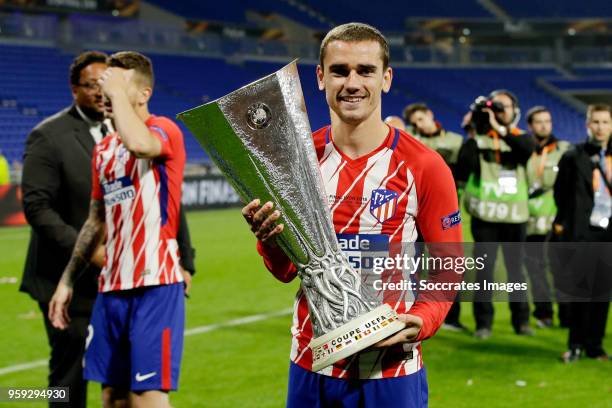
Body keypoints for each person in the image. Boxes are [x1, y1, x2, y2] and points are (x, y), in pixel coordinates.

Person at [242, 23, 462, 407]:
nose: (353, 82)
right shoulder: (296, 162)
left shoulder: (425, 166)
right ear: (321, 77)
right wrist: (269, 239)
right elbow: (285, 271)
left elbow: (450, 264)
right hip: (312, 364)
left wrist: (424, 318)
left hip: (390, 370)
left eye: (366, 70)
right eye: (340, 71)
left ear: (386, 78)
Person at [20, 51, 195, 408]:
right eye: (102, 85)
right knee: (112, 397)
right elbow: (94, 220)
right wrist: (68, 281)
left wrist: (186, 261)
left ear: (143, 94)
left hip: (154, 285)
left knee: (146, 396)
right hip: (111, 288)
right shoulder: (103, 149)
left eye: (115, 85)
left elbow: (140, 145)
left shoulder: (164, 130)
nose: (106, 92)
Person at [457, 89, 536, 339]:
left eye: (505, 107)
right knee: (485, 271)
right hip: (486, 216)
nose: (500, 112)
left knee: (516, 270)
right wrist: (474, 129)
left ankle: (522, 321)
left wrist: (499, 127)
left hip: (515, 215)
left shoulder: (521, 137)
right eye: (496, 107)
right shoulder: (478, 139)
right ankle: (484, 324)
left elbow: (526, 150)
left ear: (515, 111)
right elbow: (463, 166)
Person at [554, 104, 612, 362]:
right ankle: (575, 344)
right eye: (596, 122)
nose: (600, 127)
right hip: (582, 232)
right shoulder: (573, 155)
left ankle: (595, 346)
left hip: (609, 232)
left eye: (605, 122)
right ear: (587, 124)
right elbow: (561, 193)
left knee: (602, 293)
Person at [404, 102, 465, 331]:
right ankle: (413, 310)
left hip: (441, 209)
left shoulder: (456, 141)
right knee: (412, 264)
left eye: (421, 118)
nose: (419, 124)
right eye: (415, 122)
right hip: (412, 214)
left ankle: (450, 316)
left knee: (447, 261)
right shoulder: (410, 141)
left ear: (431, 114)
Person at [522, 106, 570, 328]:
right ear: (530, 126)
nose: (544, 125)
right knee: (535, 270)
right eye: (539, 121)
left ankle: (567, 315)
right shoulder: (523, 150)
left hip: (555, 220)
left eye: (547, 121)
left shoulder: (564, 150)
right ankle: (543, 314)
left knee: (561, 270)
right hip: (529, 220)